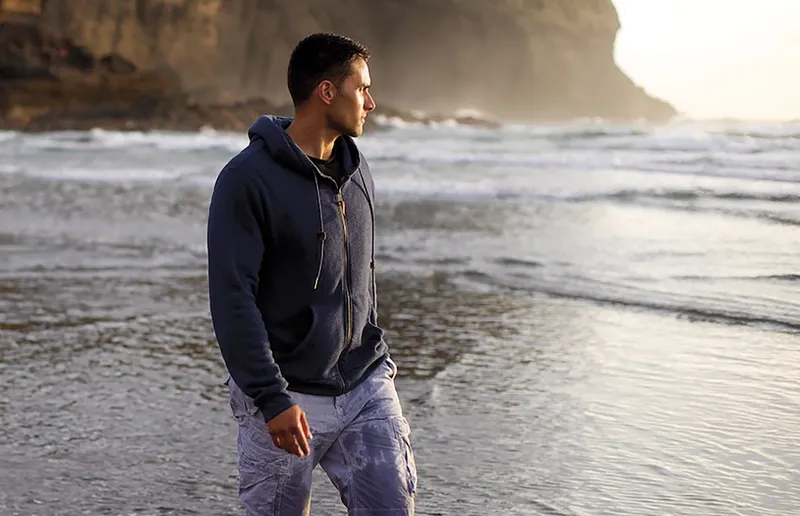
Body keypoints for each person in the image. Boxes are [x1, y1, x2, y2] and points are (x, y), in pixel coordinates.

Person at [206, 33, 417, 515]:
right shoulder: (246, 180)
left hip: (365, 384)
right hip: (287, 394)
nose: (371, 103)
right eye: (361, 88)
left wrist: (373, 348)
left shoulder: (357, 170)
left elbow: (361, 277)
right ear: (327, 91)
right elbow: (233, 297)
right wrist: (271, 398)